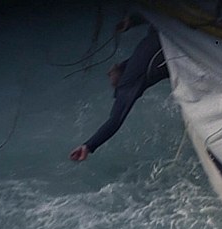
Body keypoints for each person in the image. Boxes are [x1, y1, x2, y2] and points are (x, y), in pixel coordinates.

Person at [69, 14, 169, 161]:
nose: (108, 74)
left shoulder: (128, 70)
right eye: (110, 77)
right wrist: (88, 146)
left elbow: (153, 16)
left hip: (165, 31)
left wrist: (133, 21)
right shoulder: (128, 84)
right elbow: (115, 121)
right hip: (170, 41)